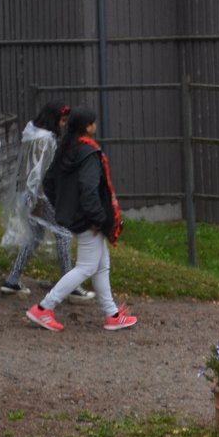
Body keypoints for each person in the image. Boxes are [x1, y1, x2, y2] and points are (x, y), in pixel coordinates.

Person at [25, 108, 136, 332]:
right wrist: (98, 218)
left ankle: (112, 314)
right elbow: (88, 189)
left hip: (76, 217)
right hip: (89, 220)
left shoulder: (67, 150)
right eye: (93, 123)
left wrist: (64, 207)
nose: (96, 125)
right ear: (88, 127)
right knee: (86, 267)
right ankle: (44, 308)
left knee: (101, 265)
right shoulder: (89, 154)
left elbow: (49, 183)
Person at [0, 101, 94, 303]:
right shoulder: (46, 140)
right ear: (53, 120)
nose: (64, 125)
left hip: (27, 194)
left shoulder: (32, 135)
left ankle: (13, 280)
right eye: (62, 121)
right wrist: (43, 197)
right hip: (40, 196)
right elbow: (40, 171)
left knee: (34, 236)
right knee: (64, 233)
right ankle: (71, 284)